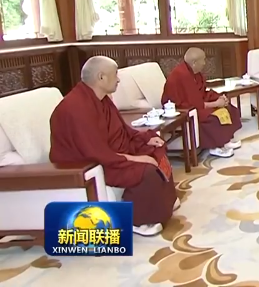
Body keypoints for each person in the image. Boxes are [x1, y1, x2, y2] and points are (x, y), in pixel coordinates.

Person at [50, 56, 178, 237]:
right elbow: (94, 151)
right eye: (115, 74)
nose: (118, 79)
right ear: (101, 77)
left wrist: (144, 138)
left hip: (111, 152)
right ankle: (137, 219)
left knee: (156, 149)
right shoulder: (75, 108)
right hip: (90, 163)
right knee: (146, 170)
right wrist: (135, 159)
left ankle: (167, 201)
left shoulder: (101, 99)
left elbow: (121, 129)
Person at [161, 48, 242, 158]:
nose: (204, 63)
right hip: (181, 109)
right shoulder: (182, 75)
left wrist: (219, 98)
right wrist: (216, 104)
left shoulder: (195, 73)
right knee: (212, 118)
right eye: (203, 60)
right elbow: (193, 103)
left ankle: (225, 140)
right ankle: (215, 147)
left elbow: (202, 93)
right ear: (194, 63)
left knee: (227, 108)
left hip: (195, 104)